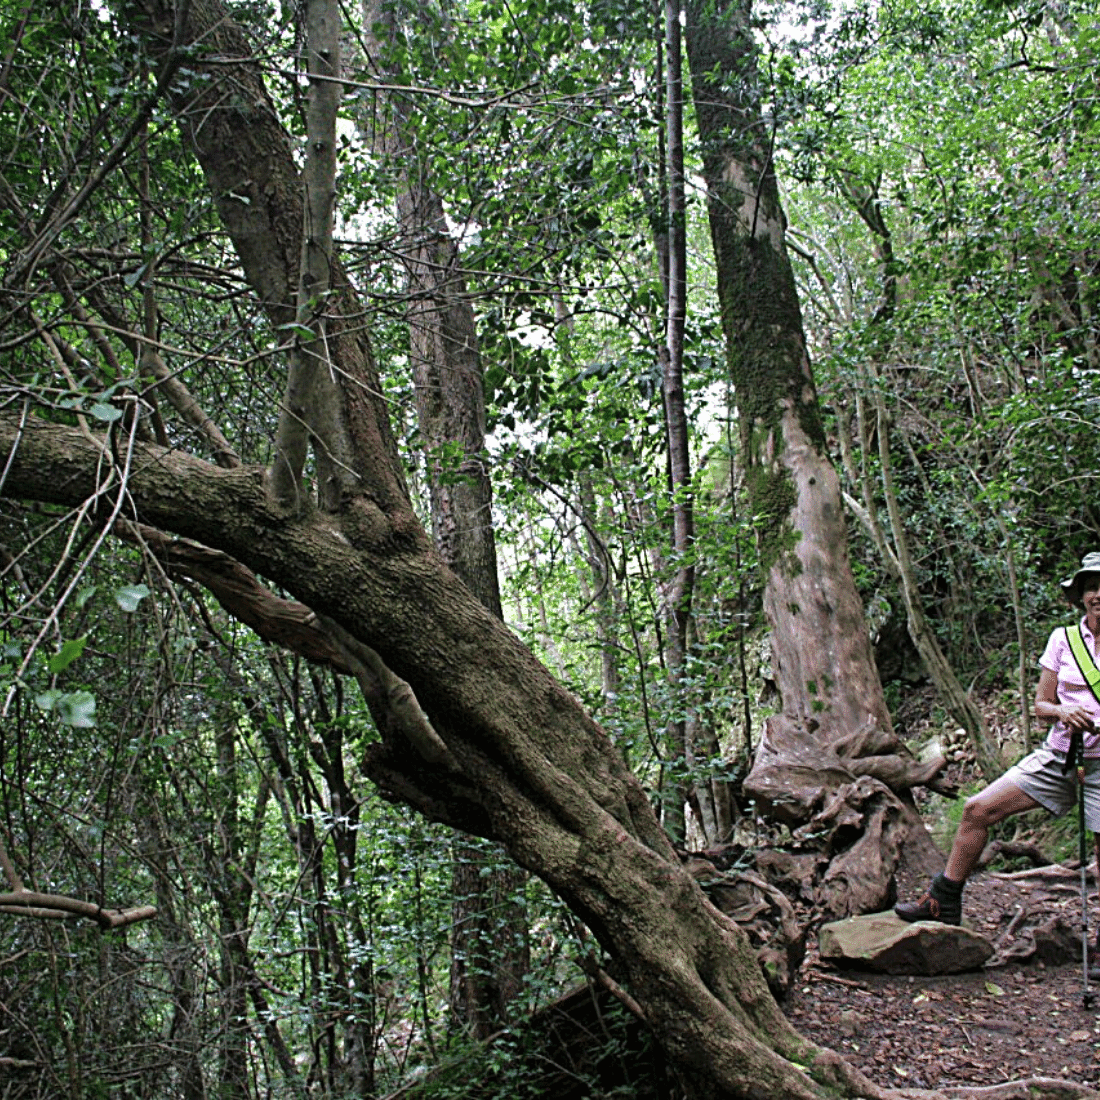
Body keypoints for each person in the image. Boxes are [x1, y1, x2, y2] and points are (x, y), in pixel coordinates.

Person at [895, 552, 1100, 929]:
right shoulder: (1064, 640)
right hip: (1058, 756)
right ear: (1082, 596)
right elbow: (1041, 705)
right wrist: (1063, 712)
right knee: (977, 809)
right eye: (1091, 587)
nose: (1098, 594)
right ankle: (943, 899)